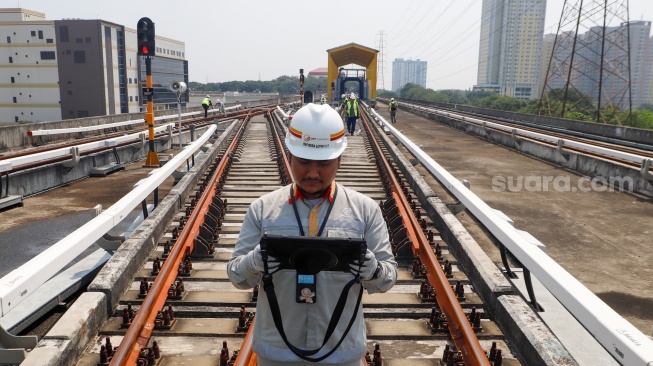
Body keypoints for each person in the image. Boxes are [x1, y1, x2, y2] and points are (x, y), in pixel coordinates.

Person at [227, 104, 397, 366]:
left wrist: (371, 269)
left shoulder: (365, 211)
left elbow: (387, 279)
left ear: (340, 160)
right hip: (277, 352)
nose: (313, 173)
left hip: (342, 351)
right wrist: (255, 261)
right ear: (290, 156)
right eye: (304, 162)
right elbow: (237, 276)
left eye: (324, 164)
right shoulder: (262, 209)